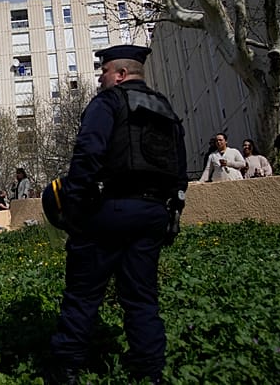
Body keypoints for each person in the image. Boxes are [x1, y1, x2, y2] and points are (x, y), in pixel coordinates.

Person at [45, 45, 187, 384]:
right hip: (153, 213)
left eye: (104, 71)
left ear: (120, 74)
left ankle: (66, 370)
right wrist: (173, 211)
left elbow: (88, 154)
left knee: (83, 295)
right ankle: (149, 372)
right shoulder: (166, 109)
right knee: (142, 298)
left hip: (108, 210)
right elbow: (180, 168)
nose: (100, 77)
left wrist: (74, 209)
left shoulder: (108, 102)